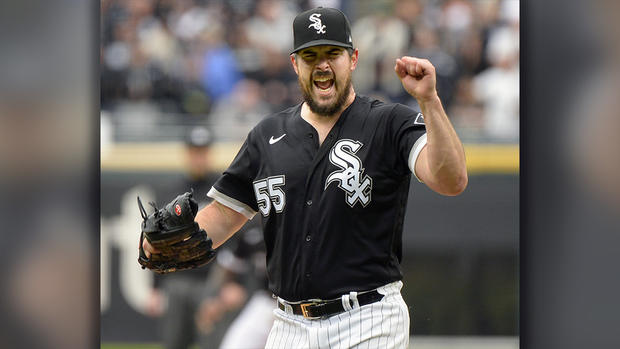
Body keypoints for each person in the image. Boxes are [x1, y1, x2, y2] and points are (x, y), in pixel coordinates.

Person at [144, 6, 467, 348]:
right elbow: (225, 213)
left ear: (353, 59)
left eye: (333, 53)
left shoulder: (389, 123)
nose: (322, 64)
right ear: (295, 64)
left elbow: (450, 180)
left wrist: (429, 101)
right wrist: (173, 241)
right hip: (287, 324)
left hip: (368, 317)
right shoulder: (266, 136)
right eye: (310, 55)